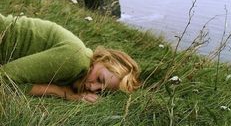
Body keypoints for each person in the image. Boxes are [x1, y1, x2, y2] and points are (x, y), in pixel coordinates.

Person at [0, 13, 140, 103]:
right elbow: (4, 79)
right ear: (101, 59)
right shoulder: (76, 60)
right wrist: (62, 93)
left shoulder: (78, 70)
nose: (92, 87)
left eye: (100, 91)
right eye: (99, 79)